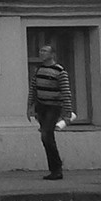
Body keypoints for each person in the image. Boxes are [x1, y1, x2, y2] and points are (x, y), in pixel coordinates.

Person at [30, 42, 75, 180]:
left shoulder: (60, 71)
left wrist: (67, 113)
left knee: (46, 136)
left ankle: (57, 168)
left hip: (54, 107)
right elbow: (33, 89)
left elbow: (66, 92)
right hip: (41, 106)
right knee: (47, 137)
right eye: (40, 51)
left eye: (45, 51)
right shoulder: (39, 70)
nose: (41, 53)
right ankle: (55, 168)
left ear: (52, 54)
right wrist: (30, 106)